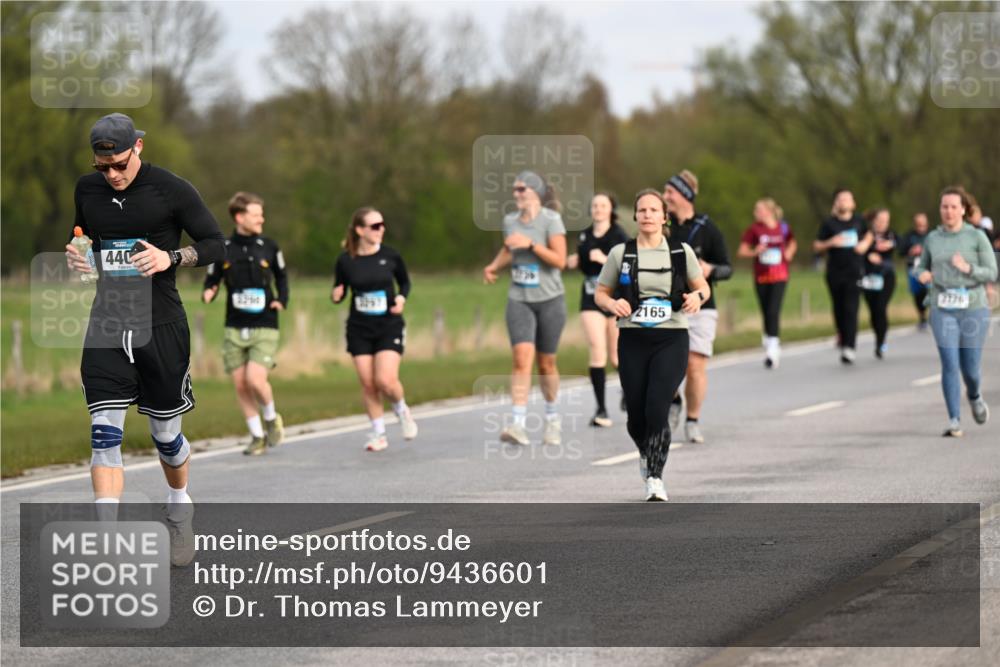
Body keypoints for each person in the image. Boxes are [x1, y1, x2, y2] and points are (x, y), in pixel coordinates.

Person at [63, 113, 225, 566]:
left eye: (118, 164)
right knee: (103, 434)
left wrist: (171, 256)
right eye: (102, 167)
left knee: (165, 436)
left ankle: (179, 509)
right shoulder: (87, 189)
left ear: (137, 147)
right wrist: (80, 258)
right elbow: (83, 238)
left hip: (161, 326)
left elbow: (216, 243)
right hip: (108, 325)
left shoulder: (172, 189)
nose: (111, 175)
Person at [594, 189, 710, 501]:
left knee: (657, 407)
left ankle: (656, 478)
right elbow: (600, 292)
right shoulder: (621, 253)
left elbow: (703, 288)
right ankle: (646, 450)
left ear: (664, 216)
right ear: (635, 216)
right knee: (636, 415)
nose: (647, 215)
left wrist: (695, 298)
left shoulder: (679, 251)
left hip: (671, 337)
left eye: (653, 210)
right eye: (642, 210)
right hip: (632, 338)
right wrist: (612, 303)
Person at [483, 171, 568, 446]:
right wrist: (494, 266)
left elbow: (560, 261)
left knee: (546, 364)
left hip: (550, 300)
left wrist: (531, 244)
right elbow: (510, 249)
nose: (516, 194)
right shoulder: (510, 221)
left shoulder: (551, 220)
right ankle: (518, 424)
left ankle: (553, 419)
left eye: (521, 189)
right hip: (519, 298)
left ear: (535, 192)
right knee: (521, 358)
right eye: (514, 190)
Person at [202, 192, 288, 455]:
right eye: (256, 214)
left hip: (265, 324)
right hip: (234, 326)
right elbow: (212, 276)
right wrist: (210, 290)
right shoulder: (224, 247)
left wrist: (281, 300)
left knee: (255, 379)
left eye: (261, 214)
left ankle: (271, 418)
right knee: (241, 384)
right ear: (239, 217)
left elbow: (282, 278)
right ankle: (256, 435)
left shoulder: (270, 247)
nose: (261, 219)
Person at [331, 207, 417, 452]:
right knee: (368, 383)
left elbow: (405, 282)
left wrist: (401, 299)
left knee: (385, 381)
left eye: (382, 225)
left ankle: (401, 410)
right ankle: (378, 433)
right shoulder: (346, 259)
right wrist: (336, 295)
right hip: (359, 327)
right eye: (375, 226)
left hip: (388, 325)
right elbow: (339, 288)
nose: (381, 230)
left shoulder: (390, 256)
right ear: (360, 230)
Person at [916, 186, 997, 437]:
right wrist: (923, 274)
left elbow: (992, 272)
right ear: (940, 209)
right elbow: (919, 267)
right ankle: (954, 419)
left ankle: (974, 396)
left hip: (973, 306)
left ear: (963, 209)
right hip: (942, 306)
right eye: (944, 207)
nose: (949, 211)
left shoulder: (976, 236)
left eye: (953, 207)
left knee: (970, 368)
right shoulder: (933, 238)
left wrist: (968, 268)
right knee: (949, 362)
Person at [662, 170, 732, 443]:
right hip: (667, 306)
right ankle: (673, 399)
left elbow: (728, 268)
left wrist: (710, 268)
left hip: (702, 306)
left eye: (670, 192)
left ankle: (693, 419)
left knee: (694, 365)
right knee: (665, 365)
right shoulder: (662, 226)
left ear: (685, 195)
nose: (665, 197)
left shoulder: (706, 227)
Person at [567, 193, 629, 426]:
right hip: (591, 296)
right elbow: (582, 263)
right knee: (597, 348)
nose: (598, 209)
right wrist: (574, 260)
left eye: (603, 205)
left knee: (616, 353)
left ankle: (628, 392)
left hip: (615, 298)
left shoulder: (619, 235)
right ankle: (601, 409)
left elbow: (626, 265)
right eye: (594, 205)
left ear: (610, 209)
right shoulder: (584, 235)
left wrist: (603, 259)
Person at [813, 188, 874, 364]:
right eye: (840, 199)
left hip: (854, 270)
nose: (844, 202)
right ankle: (842, 334)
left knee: (851, 308)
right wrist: (831, 242)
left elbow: (869, 234)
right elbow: (816, 246)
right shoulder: (829, 224)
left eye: (847, 199)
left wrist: (864, 244)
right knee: (839, 308)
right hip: (834, 271)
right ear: (836, 203)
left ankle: (850, 347)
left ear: (853, 204)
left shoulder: (859, 221)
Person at [737, 198, 797, 368]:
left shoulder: (783, 227)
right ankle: (770, 337)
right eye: (755, 210)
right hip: (761, 276)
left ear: (769, 211)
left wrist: (790, 252)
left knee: (773, 309)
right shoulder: (754, 230)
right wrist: (755, 251)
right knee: (766, 310)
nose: (756, 213)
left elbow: (792, 242)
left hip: (780, 275)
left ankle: (773, 347)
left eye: (759, 209)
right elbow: (741, 251)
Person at [860, 208, 897, 359]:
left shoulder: (891, 235)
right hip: (868, 278)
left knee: (881, 308)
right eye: (879, 220)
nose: (882, 224)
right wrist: (869, 254)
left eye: (885, 221)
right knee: (874, 311)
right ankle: (878, 336)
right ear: (872, 220)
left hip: (886, 277)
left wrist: (890, 247)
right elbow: (857, 251)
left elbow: (900, 246)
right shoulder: (865, 235)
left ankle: (880, 343)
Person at [898, 212, 931, 329]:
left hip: (929, 268)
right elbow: (900, 252)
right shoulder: (908, 236)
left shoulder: (932, 235)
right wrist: (911, 251)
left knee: (930, 290)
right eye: (918, 224)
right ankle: (922, 316)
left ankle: (934, 314)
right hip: (914, 269)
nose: (921, 226)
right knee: (918, 294)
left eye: (923, 224)